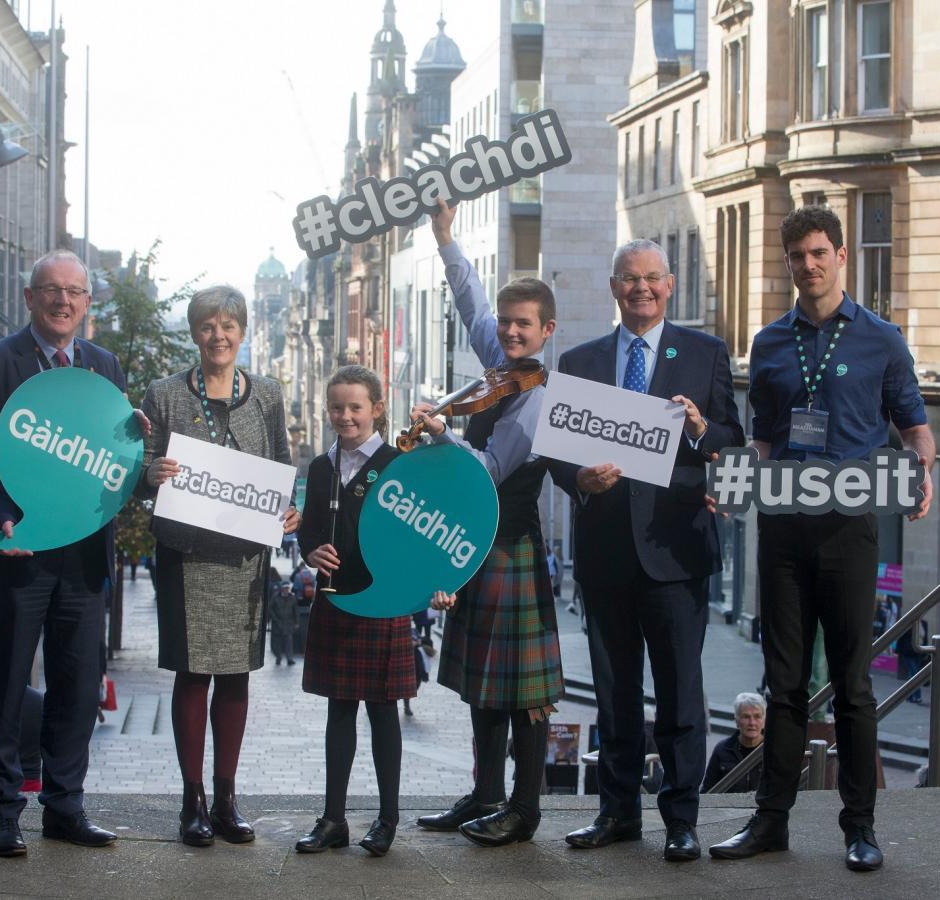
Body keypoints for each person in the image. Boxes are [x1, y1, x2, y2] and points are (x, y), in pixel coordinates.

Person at [710, 206, 936, 874]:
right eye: (795, 257)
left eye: (817, 253)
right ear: (786, 264)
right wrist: (736, 482)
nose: (806, 266)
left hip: (848, 529)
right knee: (779, 682)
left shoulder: (881, 340)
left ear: (840, 255)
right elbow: (761, 438)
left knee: (851, 685)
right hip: (780, 530)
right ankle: (770, 820)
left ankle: (858, 828)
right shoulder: (769, 342)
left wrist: (922, 475)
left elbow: (914, 428)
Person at [547, 237, 743, 864]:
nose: (641, 290)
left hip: (675, 551)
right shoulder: (579, 362)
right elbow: (556, 451)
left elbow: (734, 445)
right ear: (613, 288)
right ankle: (618, 812)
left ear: (670, 285)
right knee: (614, 691)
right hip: (605, 553)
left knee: (681, 693)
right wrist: (577, 478)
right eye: (629, 280)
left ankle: (682, 819)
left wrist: (701, 430)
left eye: (652, 279)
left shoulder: (706, 354)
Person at [0, 249, 131, 857]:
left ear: (87, 303)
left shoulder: (104, 366)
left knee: (78, 686)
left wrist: (140, 460)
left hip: (82, 558)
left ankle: (65, 806)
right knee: (4, 685)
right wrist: (2, 517)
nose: (62, 301)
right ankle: (1, 813)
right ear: (30, 299)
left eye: (74, 292)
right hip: (17, 553)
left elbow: (115, 462)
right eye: (50, 290)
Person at [411, 200, 565, 849]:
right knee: (482, 688)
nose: (508, 332)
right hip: (480, 548)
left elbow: (490, 469)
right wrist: (446, 239)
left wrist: (442, 433)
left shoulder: (534, 400)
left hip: (512, 547)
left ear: (546, 330)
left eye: (521, 325)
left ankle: (523, 808)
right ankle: (484, 794)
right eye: (506, 324)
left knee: (522, 695)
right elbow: (471, 303)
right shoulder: (501, 372)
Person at [137, 283, 299, 849]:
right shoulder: (163, 394)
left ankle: (227, 798)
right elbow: (140, 469)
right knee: (192, 673)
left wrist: (289, 508)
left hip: (245, 559)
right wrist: (149, 475)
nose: (218, 336)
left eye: (228, 325)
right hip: (186, 556)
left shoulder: (268, 395)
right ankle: (193, 801)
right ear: (194, 333)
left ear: (243, 331)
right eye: (208, 326)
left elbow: (282, 464)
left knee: (235, 676)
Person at [294, 365, 414, 857]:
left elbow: (415, 534)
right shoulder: (321, 467)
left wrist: (432, 585)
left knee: (384, 712)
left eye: (355, 408)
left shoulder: (398, 462)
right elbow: (309, 527)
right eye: (337, 408)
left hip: (382, 599)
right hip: (336, 598)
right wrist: (310, 551)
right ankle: (333, 819)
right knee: (338, 710)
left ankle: (387, 819)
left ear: (377, 409)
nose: (345, 416)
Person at [702, 694, 767, 793]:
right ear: (736, 721)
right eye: (746, 717)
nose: (752, 723)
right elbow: (707, 791)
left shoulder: (773, 750)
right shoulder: (722, 750)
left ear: (764, 721)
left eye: (757, 716)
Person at [268, 580, 299, 666]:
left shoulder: (292, 597)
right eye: (285, 588)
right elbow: (270, 608)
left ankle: (289, 659)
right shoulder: (275, 597)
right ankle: (278, 657)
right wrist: (274, 619)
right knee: (277, 643)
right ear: (281, 588)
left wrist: (297, 622)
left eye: (288, 588)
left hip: (288, 623)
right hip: (277, 623)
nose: (286, 589)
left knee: (289, 641)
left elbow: (296, 611)